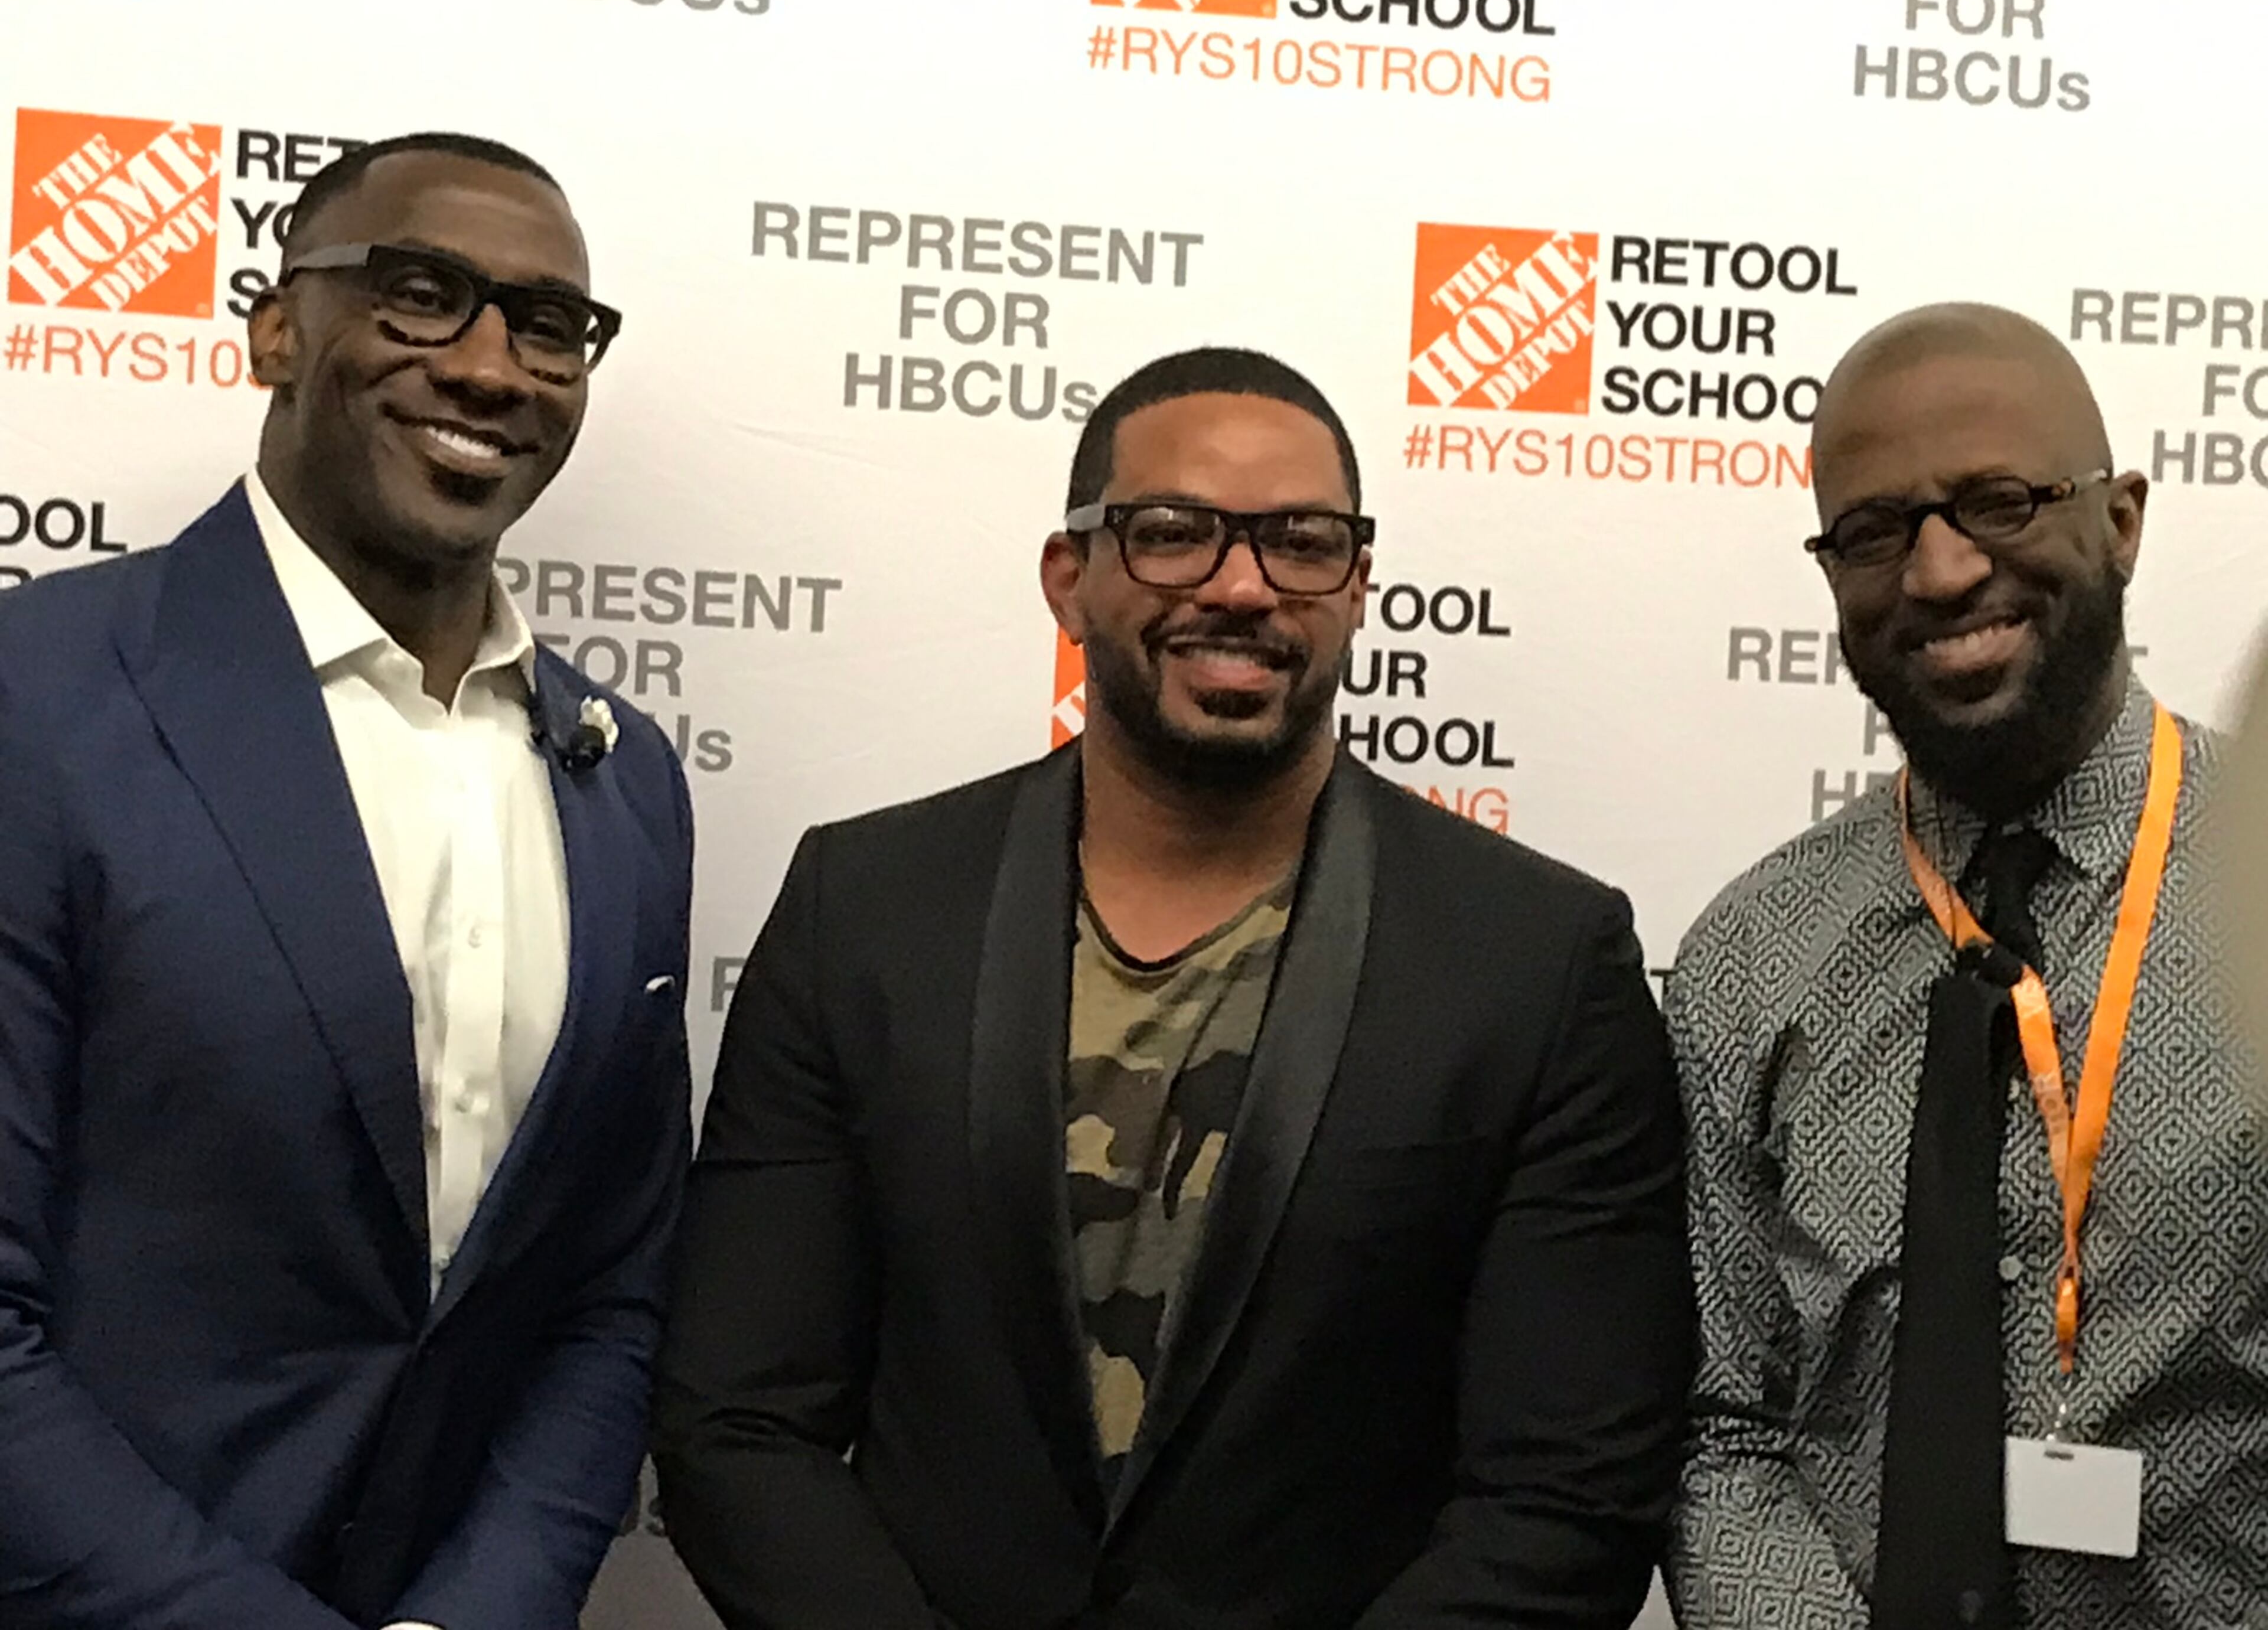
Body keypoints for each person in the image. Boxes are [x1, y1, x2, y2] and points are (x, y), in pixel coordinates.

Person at [651, 345, 1692, 1629]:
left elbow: (1568, 1494)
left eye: (1300, 543)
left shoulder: (1538, 958)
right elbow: (741, 1417)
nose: (1243, 585)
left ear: (1358, 587)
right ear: (1068, 579)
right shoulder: (861, 908)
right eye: (1172, 534)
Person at [0, 132, 693, 1630]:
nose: (493, 366)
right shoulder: (37, 699)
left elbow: (607, 1300)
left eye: (549, 325)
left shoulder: (626, 777)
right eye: (422, 295)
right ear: (277, 326)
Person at [1664, 304, 2268, 1628]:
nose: (1939, 573)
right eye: (1875, 532)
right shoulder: (1746, 964)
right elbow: (1724, 1427)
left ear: (2121, 520)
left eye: (1998, 501)